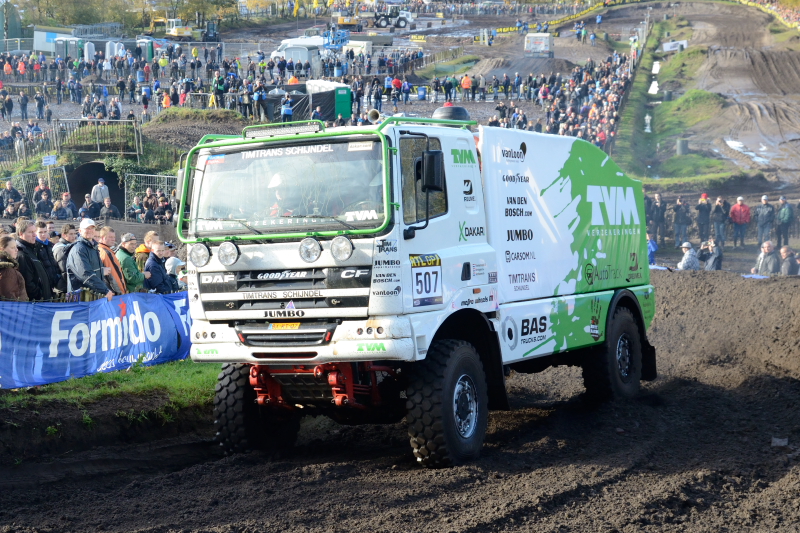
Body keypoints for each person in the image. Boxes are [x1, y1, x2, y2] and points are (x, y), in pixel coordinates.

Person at [65, 218, 114, 301]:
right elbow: (86, 275)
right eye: (87, 228)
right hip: (80, 299)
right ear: (80, 231)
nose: (90, 230)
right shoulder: (78, 249)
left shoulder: (93, 248)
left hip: (92, 297)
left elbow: (96, 273)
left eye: (92, 228)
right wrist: (104, 290)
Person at [15, 219, 53, 300]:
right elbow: (28, 283)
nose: (34, 235)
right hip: (36, 303)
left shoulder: (32, 250)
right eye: (30, 232)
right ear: (21, 233)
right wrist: (40, 295)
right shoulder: (22, 254)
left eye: (34, 231)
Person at [96, 226, 126, 295]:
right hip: (114, 293)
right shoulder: (106, 253)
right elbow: (114, 275)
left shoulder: (103, 250)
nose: (113, 239)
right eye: (110, 237)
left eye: (114, 237)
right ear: (103, 237)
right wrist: (121, 292)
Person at [0, 234, 28, 300]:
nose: (16, 250)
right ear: (2, 249)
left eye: (16, 247)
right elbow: (8, 296)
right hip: (14, 308)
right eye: (12, 248)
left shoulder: (10, 267)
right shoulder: (7, 270)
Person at [35, 220, 60, 290]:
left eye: (45, 232)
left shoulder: (50, 245)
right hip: (42, 284)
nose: (43, 234)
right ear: (35, 233)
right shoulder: (34, 247)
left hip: (54, 281)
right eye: (40, 232)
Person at [52, 223, 77, 293]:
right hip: (63, 288)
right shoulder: (61, 249)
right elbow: (65, 271)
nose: (74, 236)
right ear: (63, 235)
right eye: (71, 234)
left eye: (74, 234)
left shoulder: (69, 246)